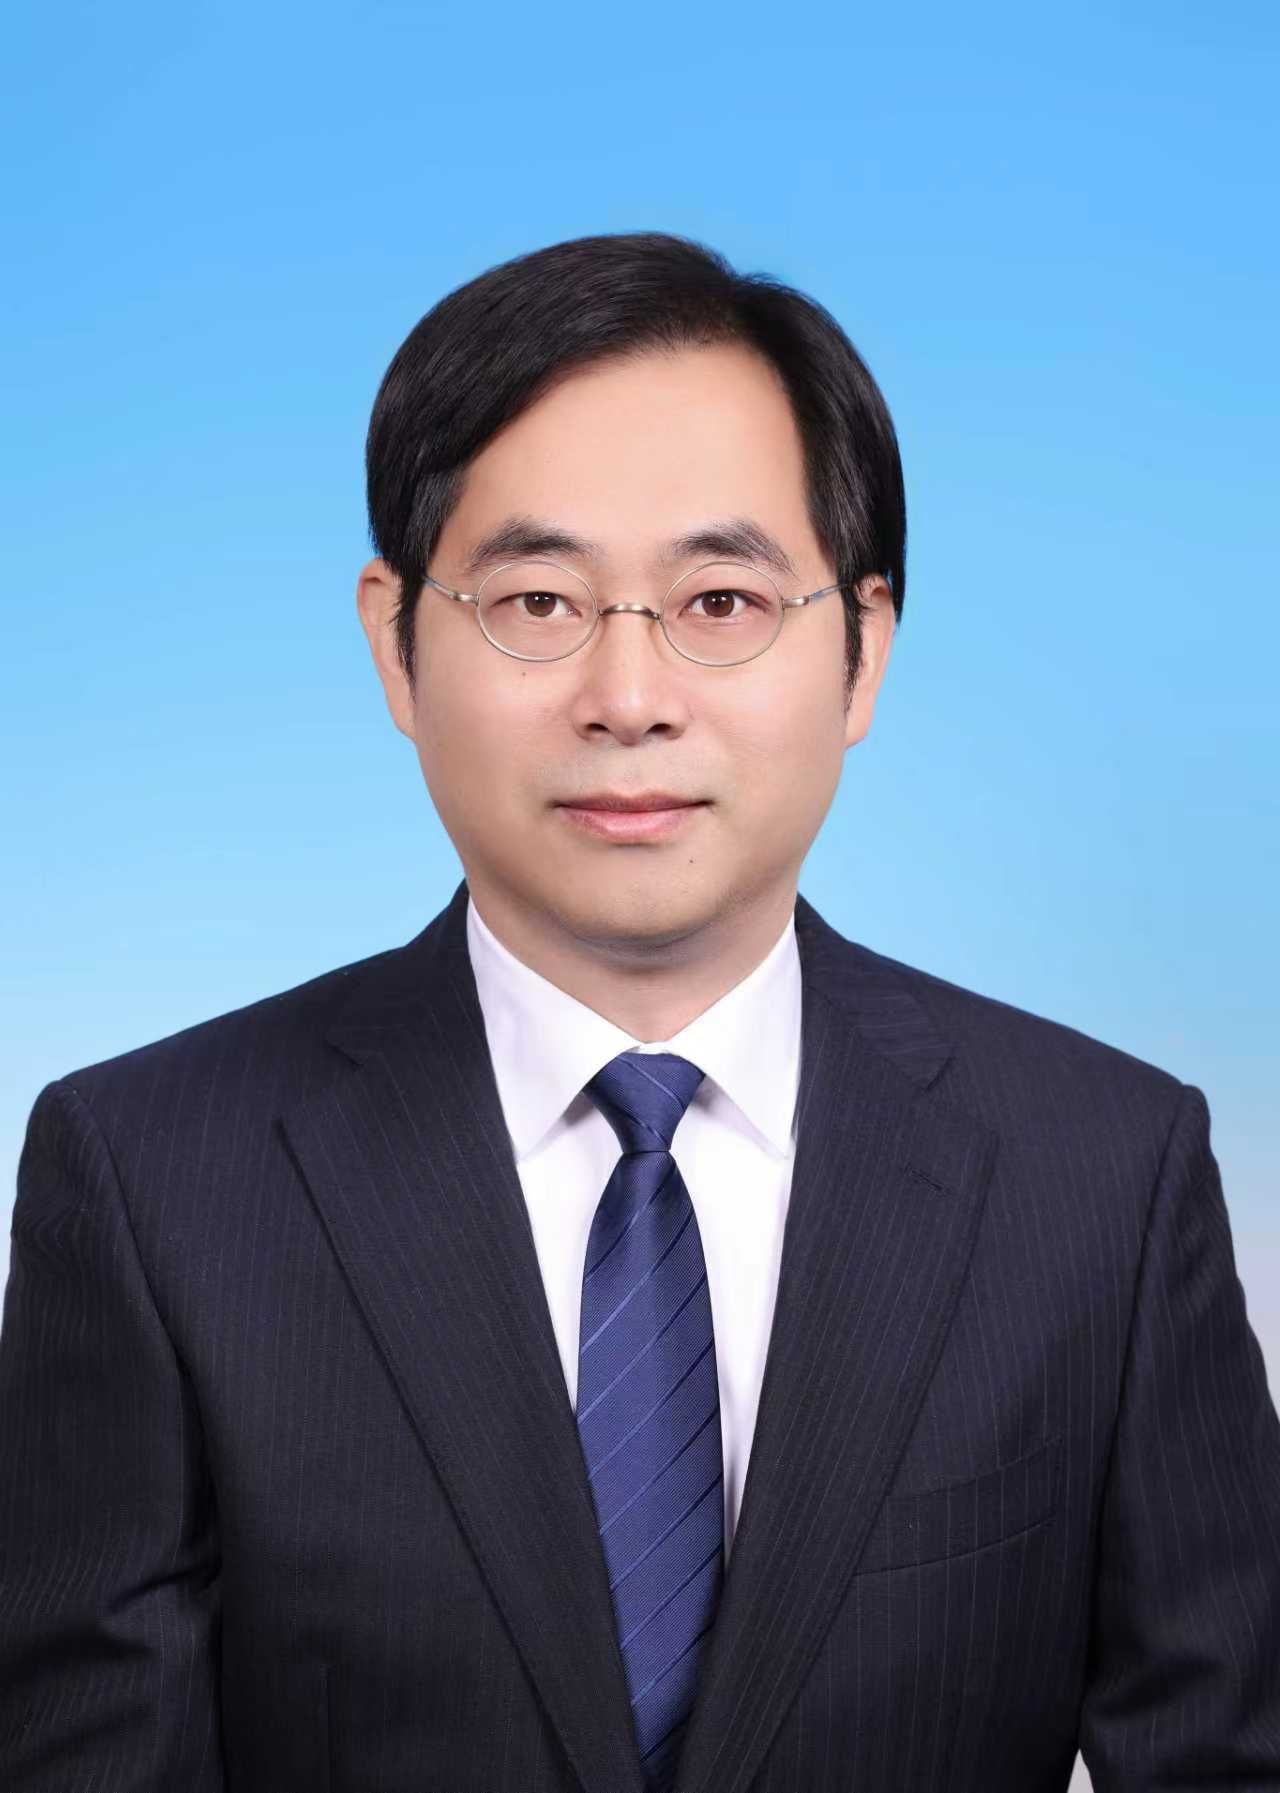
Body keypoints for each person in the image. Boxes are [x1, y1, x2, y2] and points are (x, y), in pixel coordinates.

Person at [1, 231, 1277, 1793]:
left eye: (720, 599)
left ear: (863, 651)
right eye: (538, 600)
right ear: (395, 643)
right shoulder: (153, 1182)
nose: (628, 696)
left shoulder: (1103, 1177)